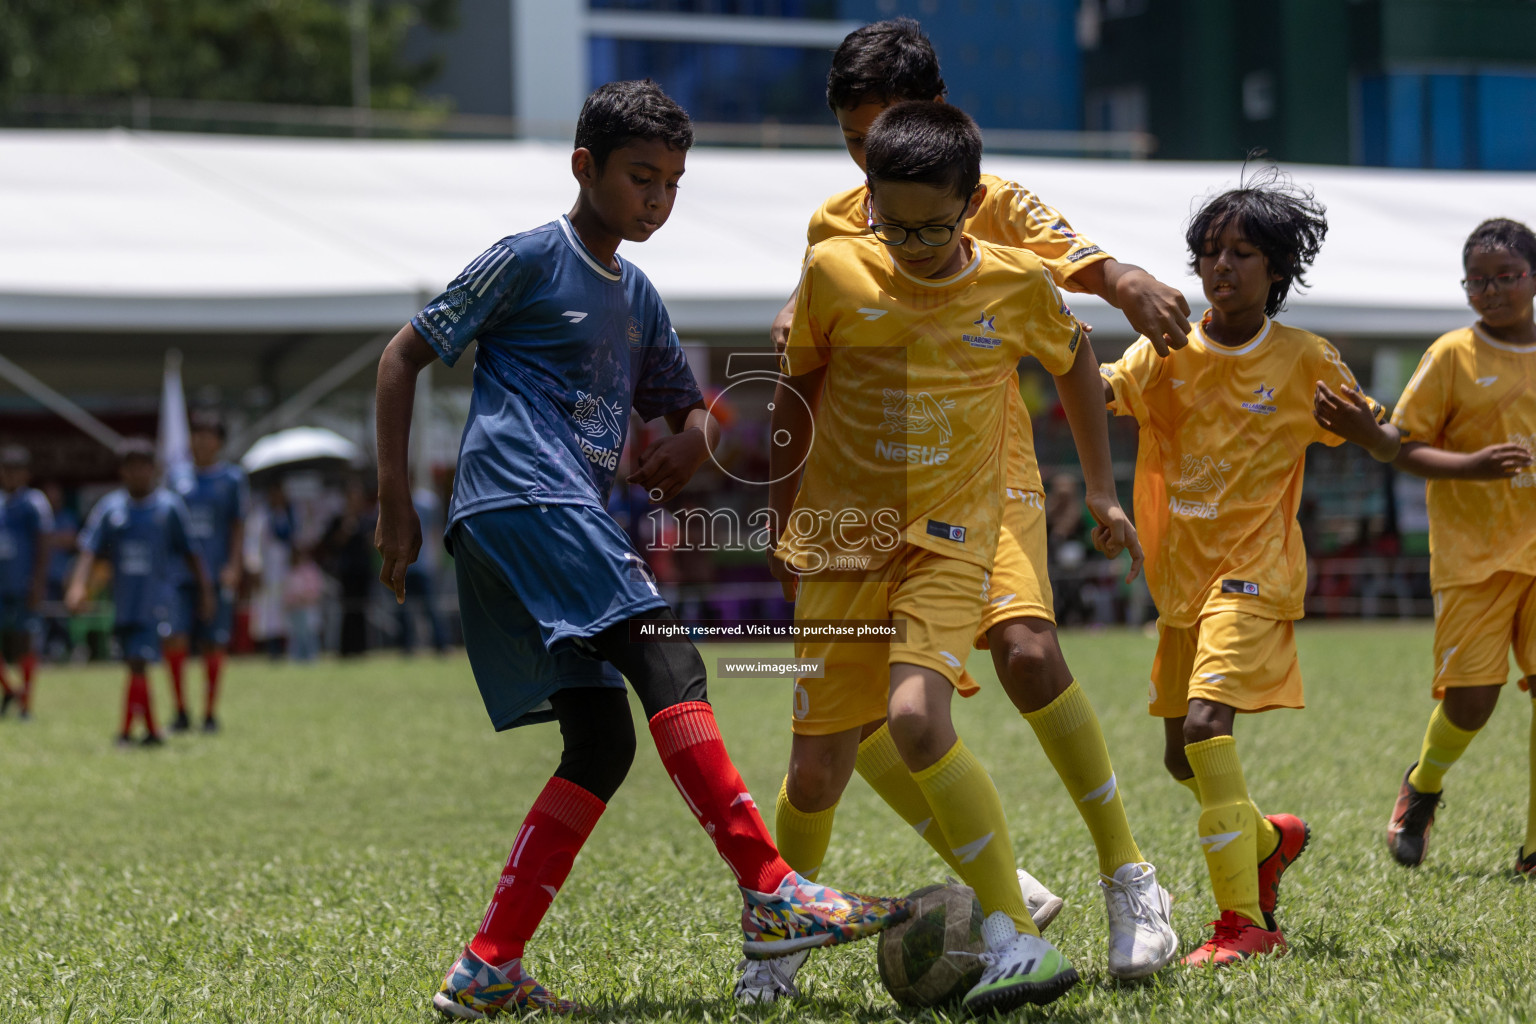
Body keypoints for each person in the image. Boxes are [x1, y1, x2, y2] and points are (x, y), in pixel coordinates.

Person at [371, 80, 909, 1018]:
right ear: (585, 167)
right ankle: (771, 890)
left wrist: (695, 439)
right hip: (522, 495)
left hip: (541, 515)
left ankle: (488, 967)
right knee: (670, 657)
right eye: (639, 178)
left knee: (602, 741)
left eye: (671, 184)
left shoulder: (641, 295)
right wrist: (392, 505)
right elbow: (401, 357)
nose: (655, 200)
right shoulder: (532, 256)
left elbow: (692, 411)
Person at [741, 19, 1184, 1003]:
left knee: (1025, 649)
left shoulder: (993, 200)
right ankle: (996, 877)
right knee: (849, 729)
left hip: (983, 467)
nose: (870, 167)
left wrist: (1133, 282)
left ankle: (1128, 874)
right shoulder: (835, 227)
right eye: (854, 145)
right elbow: (812, 350)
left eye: (884, 136)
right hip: (862, 496)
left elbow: (1081, 284)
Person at [1101, 170, 1401, 965]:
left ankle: (1243, 925)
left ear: (1277, 271)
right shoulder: (1162, 352)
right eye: (1208, 252)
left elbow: (1383, 435)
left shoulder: (1305, 358)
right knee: (1179, 758)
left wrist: (1374, 434)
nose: (1220, 265)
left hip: (1256, 573)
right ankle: (1268, 838)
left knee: (1206, 730)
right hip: (1178, 584)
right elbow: (1095, 397)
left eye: (1241, 252)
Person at [1365, 218, 1536, 875]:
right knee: (1472, 701)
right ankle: (1424, 786)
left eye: (1506, 277)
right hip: (1474, 558)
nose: (1491, 291)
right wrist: (1470, 466)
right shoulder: (1452, 355)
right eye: (1478, 281)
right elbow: (1399, 444)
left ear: (1532, 278)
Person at [67, 439, 214, 746]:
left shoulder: (169, 507)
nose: (138, 473)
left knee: (138, 660)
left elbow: (192, 553)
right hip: (124, 601)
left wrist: (205, 591)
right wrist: (79, 585)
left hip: (157, 600)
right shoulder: (111, 508)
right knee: (134, 663)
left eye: (144, 466)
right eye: (131, 466)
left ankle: (129, 732)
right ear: (122, 471)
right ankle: (148, 731)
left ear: (154, 469)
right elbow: (89, 550)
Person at [163, 411, 248, 732]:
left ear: (220, 442)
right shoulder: (175, 477)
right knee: (174, 638)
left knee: (214, 642)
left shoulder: (232, 479)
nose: (200, 440)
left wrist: (234, 565)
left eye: (207, 434)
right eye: (195, 433)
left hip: (216, 574)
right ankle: (181, 711)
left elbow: (238, 526)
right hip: (179, 575)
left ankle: (210, 713)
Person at [0, 444, 52, 718]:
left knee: (23, 642)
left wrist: (38, 583)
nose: (10, 476)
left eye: (15, 471)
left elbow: (43, 545)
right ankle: (10, 689)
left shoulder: (34, 503)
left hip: (23, 585)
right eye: (6, 470)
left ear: (26, 474)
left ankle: (25, 705)